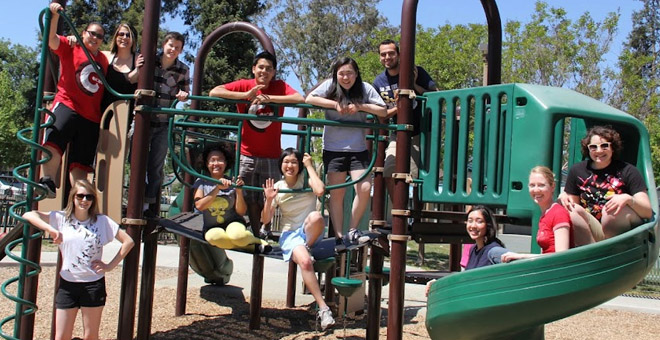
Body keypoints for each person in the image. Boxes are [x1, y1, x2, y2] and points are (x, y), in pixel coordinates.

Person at [22, 179, 134, 340]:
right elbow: (29, 214)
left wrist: (110, 266)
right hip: (68, 284)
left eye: (89, 197)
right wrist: (51, 229)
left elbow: (128, 241)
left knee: (90, 335)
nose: (84, 201)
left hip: (93, 284)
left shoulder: (102, 221)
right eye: (80, 196)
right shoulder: (61, 218)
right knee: (61, 336)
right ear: (73, 198)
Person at [209, 51, 305, 236]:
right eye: (261, 67)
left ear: (274, 72)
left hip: (271, 154)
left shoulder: (279, 86)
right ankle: (255, 233)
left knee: (268, 197)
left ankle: (265, 231)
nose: (264, 71)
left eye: (269, 69)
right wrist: (246, 95)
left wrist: (270, 99)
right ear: (254, 69)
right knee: (248, 197)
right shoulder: (245, 85)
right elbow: (215, 91)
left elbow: (299, 99)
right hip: (247, 153)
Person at [306, 57, 387, 248]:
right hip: (334, 148)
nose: (345, 77)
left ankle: (352, 229)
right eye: (341, 73)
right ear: (336, 74)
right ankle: (340, 236)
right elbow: (309, 98)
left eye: (349, 73)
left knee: (365, 187)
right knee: (337, 193)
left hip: (357, 148)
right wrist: (334, 105)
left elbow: (382, 110)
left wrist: (359, 106)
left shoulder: (365, 88)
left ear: (356, 74)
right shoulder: (330, 86)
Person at [39, 2, 109, 197]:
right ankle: (48, 182)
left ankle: (80, 198)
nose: (95, 38)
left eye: (99, 36)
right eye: (92, 33)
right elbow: (51, 39)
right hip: (68, 104)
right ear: (84, 32)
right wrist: (53, 16)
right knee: (54, 139)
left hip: (91, 116)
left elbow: (121, 63)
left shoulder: (103, 59)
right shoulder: (72, 46)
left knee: (81, 162)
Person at [262, 148, 335, 330]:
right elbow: (265, 219)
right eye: (286, 162)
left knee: (317, 217)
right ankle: (324, 309)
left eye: (294, 162)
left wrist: (309, 166)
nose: (290, 166)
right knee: (305, 263)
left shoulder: (306, 180)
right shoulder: (278, 187)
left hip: (309, 232)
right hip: (290, 234)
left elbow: (320, 190)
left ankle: (306, 247)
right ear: (281, 165)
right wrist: (269, 199)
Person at [559, 126, 652, 246]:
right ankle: (591, 253)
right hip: (595, 229)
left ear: (612, 147)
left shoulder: (628, 171)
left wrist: (628, 199)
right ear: (588, 149)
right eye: (593, 147)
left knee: (611, 211)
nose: (599, 151)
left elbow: (647, 212)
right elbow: (574, 205)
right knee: (571, 209)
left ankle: (613, 252)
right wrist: (564, 197)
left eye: (604, 146)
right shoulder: (577, 170)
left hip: (623, 228)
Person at [373, 39, 437, 208]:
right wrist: (397, 105)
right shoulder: (379, 82)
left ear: (399, 55)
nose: (387, 57)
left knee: (415, 176)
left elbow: (435, 96)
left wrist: (414, 85)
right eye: (383, 54)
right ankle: (399, 213)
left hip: (420, 131)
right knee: (388, 171)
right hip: (398, 132)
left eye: (391, 53)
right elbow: (381, 114)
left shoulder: (416, 72)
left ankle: (417, 216)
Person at [143, 31, 190, 218]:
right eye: (170, 45)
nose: (173, 50)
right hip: (142, 120)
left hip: (163, 122)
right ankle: (134, 198)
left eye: (177, 48)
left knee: (155, 164)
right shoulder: (149, 61)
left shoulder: (182, 70)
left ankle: (147, 206)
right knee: (135, 160)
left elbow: (186, 93)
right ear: (164, 45)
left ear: (180, 51)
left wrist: (183, 95)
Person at [193, 143, 269, 251]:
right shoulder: (201, 182)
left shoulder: (232, 183)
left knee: (237, 236)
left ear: (226, 163)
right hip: (212, 226)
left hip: (233, 222)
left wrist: (239, 191)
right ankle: (253, 247)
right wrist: (217, 188)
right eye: (212, 160)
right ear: (206, 163)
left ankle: (257, 241)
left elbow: (241, 212)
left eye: (220, 160)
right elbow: (199, 206)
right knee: (213, 237)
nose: (216, 163)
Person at [426, 205, 506, 296]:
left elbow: (518, 264)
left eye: (479, 221)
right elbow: (464, 278)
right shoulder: (473, 249)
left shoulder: (494, 250)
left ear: (488, 225)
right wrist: (437, 284)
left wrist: (524, 256)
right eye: (470, 221)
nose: (473, 226)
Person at [500, 166, 574, 262]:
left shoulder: (558, 213)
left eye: (541, 185)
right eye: (532, 185)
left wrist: (521, 256)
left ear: (553, 186)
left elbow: (561, 256)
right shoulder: (545, 214)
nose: (536, 190)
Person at [100, 23, 144, 112]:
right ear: (115, 37)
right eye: (121, 34)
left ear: (133, 39)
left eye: (128, 35)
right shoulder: (106, 56)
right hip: (104, 111)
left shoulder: (139, 59)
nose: (124, 38)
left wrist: (137, 69)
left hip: (127, 113)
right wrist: (74, 39)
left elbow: (133, 80)